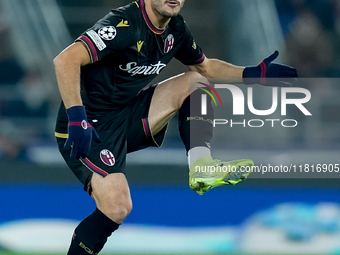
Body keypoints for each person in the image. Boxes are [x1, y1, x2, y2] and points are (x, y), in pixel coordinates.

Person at [53, 0, 298, 254]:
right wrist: (76, 117)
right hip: (87, 125)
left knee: (195, 81)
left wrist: (251, 73)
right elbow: (65, 59)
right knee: (117, 207)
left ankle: (201, 166)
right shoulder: (123, 24)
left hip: (126, 115)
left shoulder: (176, 29)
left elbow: (205, 66)